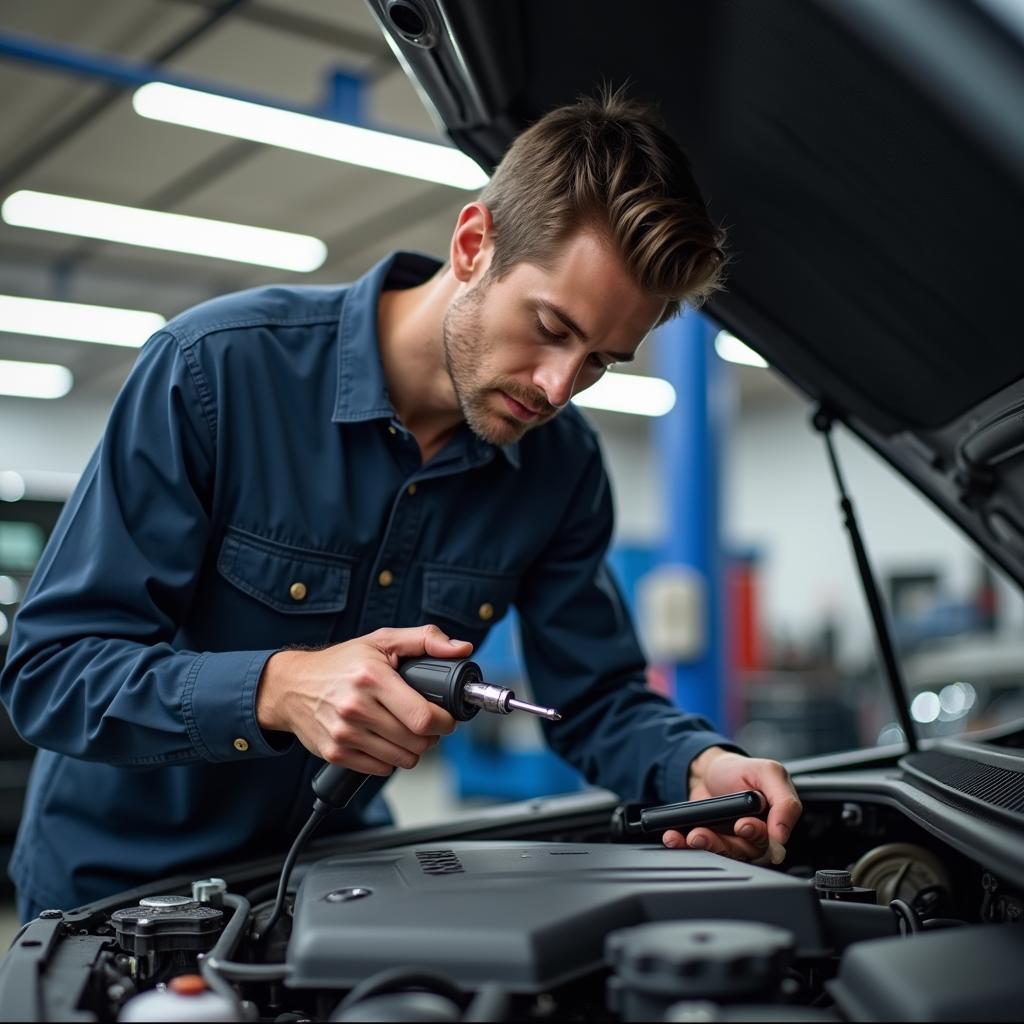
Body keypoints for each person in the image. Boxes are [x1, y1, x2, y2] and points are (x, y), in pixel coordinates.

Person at [1, 90, 801, 921]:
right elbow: (51, 671)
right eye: (551, 327)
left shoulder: (559, 468)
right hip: (117, 895)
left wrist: (694, 763)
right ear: (471, 244)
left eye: (600, 360)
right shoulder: (214, 374)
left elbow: (594, 697)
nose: (559, 386)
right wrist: (275, 689)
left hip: (330, 878)